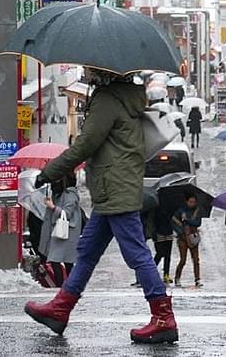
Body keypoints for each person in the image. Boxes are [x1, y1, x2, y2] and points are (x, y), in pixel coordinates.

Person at [24, 68, 178, 345]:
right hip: (113, 186)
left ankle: (163, 316)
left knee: (136, 253)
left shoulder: (108, 100)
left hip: (114, 187)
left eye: (88, 68)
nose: (85, 71)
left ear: (101, 70)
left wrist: (50, 171)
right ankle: (61, 308)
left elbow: (86, 144)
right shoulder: (123, 96)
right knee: (87, 251)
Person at [38, 173, 82, 287]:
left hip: (67, 234)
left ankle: (62, 286)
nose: (54, 184)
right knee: (60, 261)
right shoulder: (60, 193)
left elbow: (66, 213)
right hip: (60, 232)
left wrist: (52, 206)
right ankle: (67, 286)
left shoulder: (70, 195)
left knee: (61, 261)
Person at [172, 194, 203, 288]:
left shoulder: (197, 211)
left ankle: (197, 279)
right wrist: (180, 232)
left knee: (196, 259)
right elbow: (174, 223)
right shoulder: (180, 211)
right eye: (190, 202)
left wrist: (187, 221)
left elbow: (198, 223)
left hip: (193, 237)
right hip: (182, 238)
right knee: (183, 260)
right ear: (186, 202)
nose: (192, 204)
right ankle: (177, 278)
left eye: (194, 202)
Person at [152, 205, 176, 285]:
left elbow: (173, 219)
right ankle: (151, 271)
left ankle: (166, 274)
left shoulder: (171, 208)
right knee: (160, 253)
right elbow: (153, 220)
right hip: (159, 233)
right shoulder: (155, 208)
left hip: (169, 233)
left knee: (167, 255)